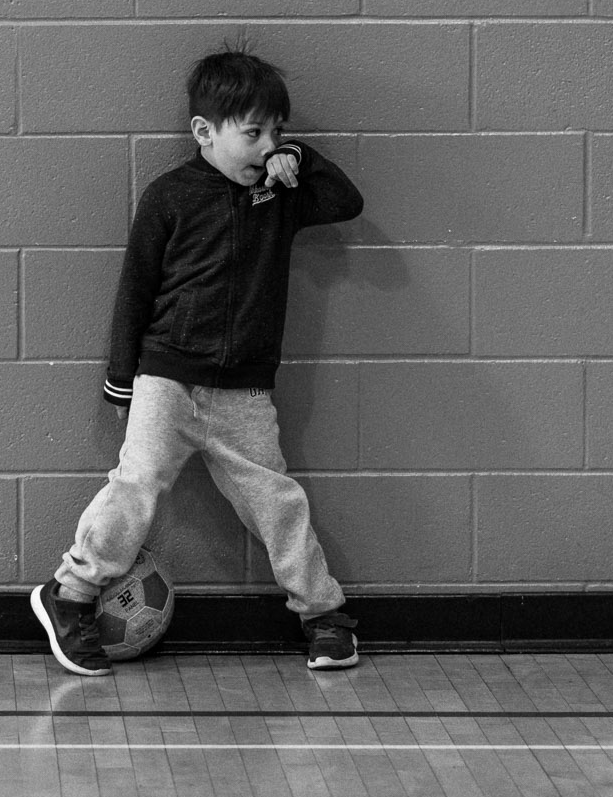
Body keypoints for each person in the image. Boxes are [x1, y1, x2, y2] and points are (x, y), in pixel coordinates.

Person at [31, 47, 365, 676]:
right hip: (167, 380)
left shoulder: (281, 191)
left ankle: (324, 617)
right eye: (254, 133)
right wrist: (122, 376)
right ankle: (70, 595)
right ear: (204, 133)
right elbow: (135, 288)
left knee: (277, 501)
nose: (268, 145)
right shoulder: (170, 196)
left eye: (278, 132)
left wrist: (303, 160)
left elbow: (346, 202)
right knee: (135, 488)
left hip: (244, 392)